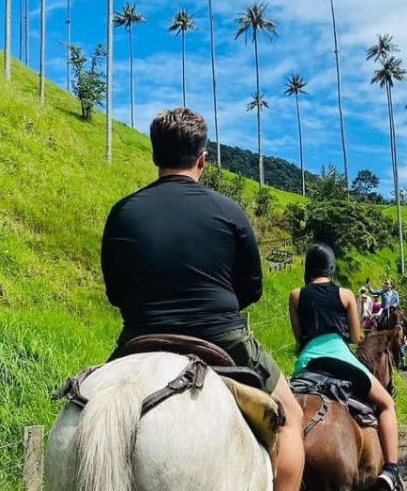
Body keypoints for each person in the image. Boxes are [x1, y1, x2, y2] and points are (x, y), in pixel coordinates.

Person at [101, 108, 304, 491]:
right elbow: (252, 290)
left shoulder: (122, 212)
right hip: (220, 336)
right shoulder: (229, 211)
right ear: (202, 159)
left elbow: (115, 293)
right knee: (290, 416)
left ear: (154, 155)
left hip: (138, 338)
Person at [288, 244, 402, 491]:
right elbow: (355, 337)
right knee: (386, 404)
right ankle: (392, 470)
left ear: (308, 268)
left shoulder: (296, 294)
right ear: (331, 268)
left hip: (308, 363)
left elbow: (299, 338)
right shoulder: (346, 294)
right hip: (341, 358)